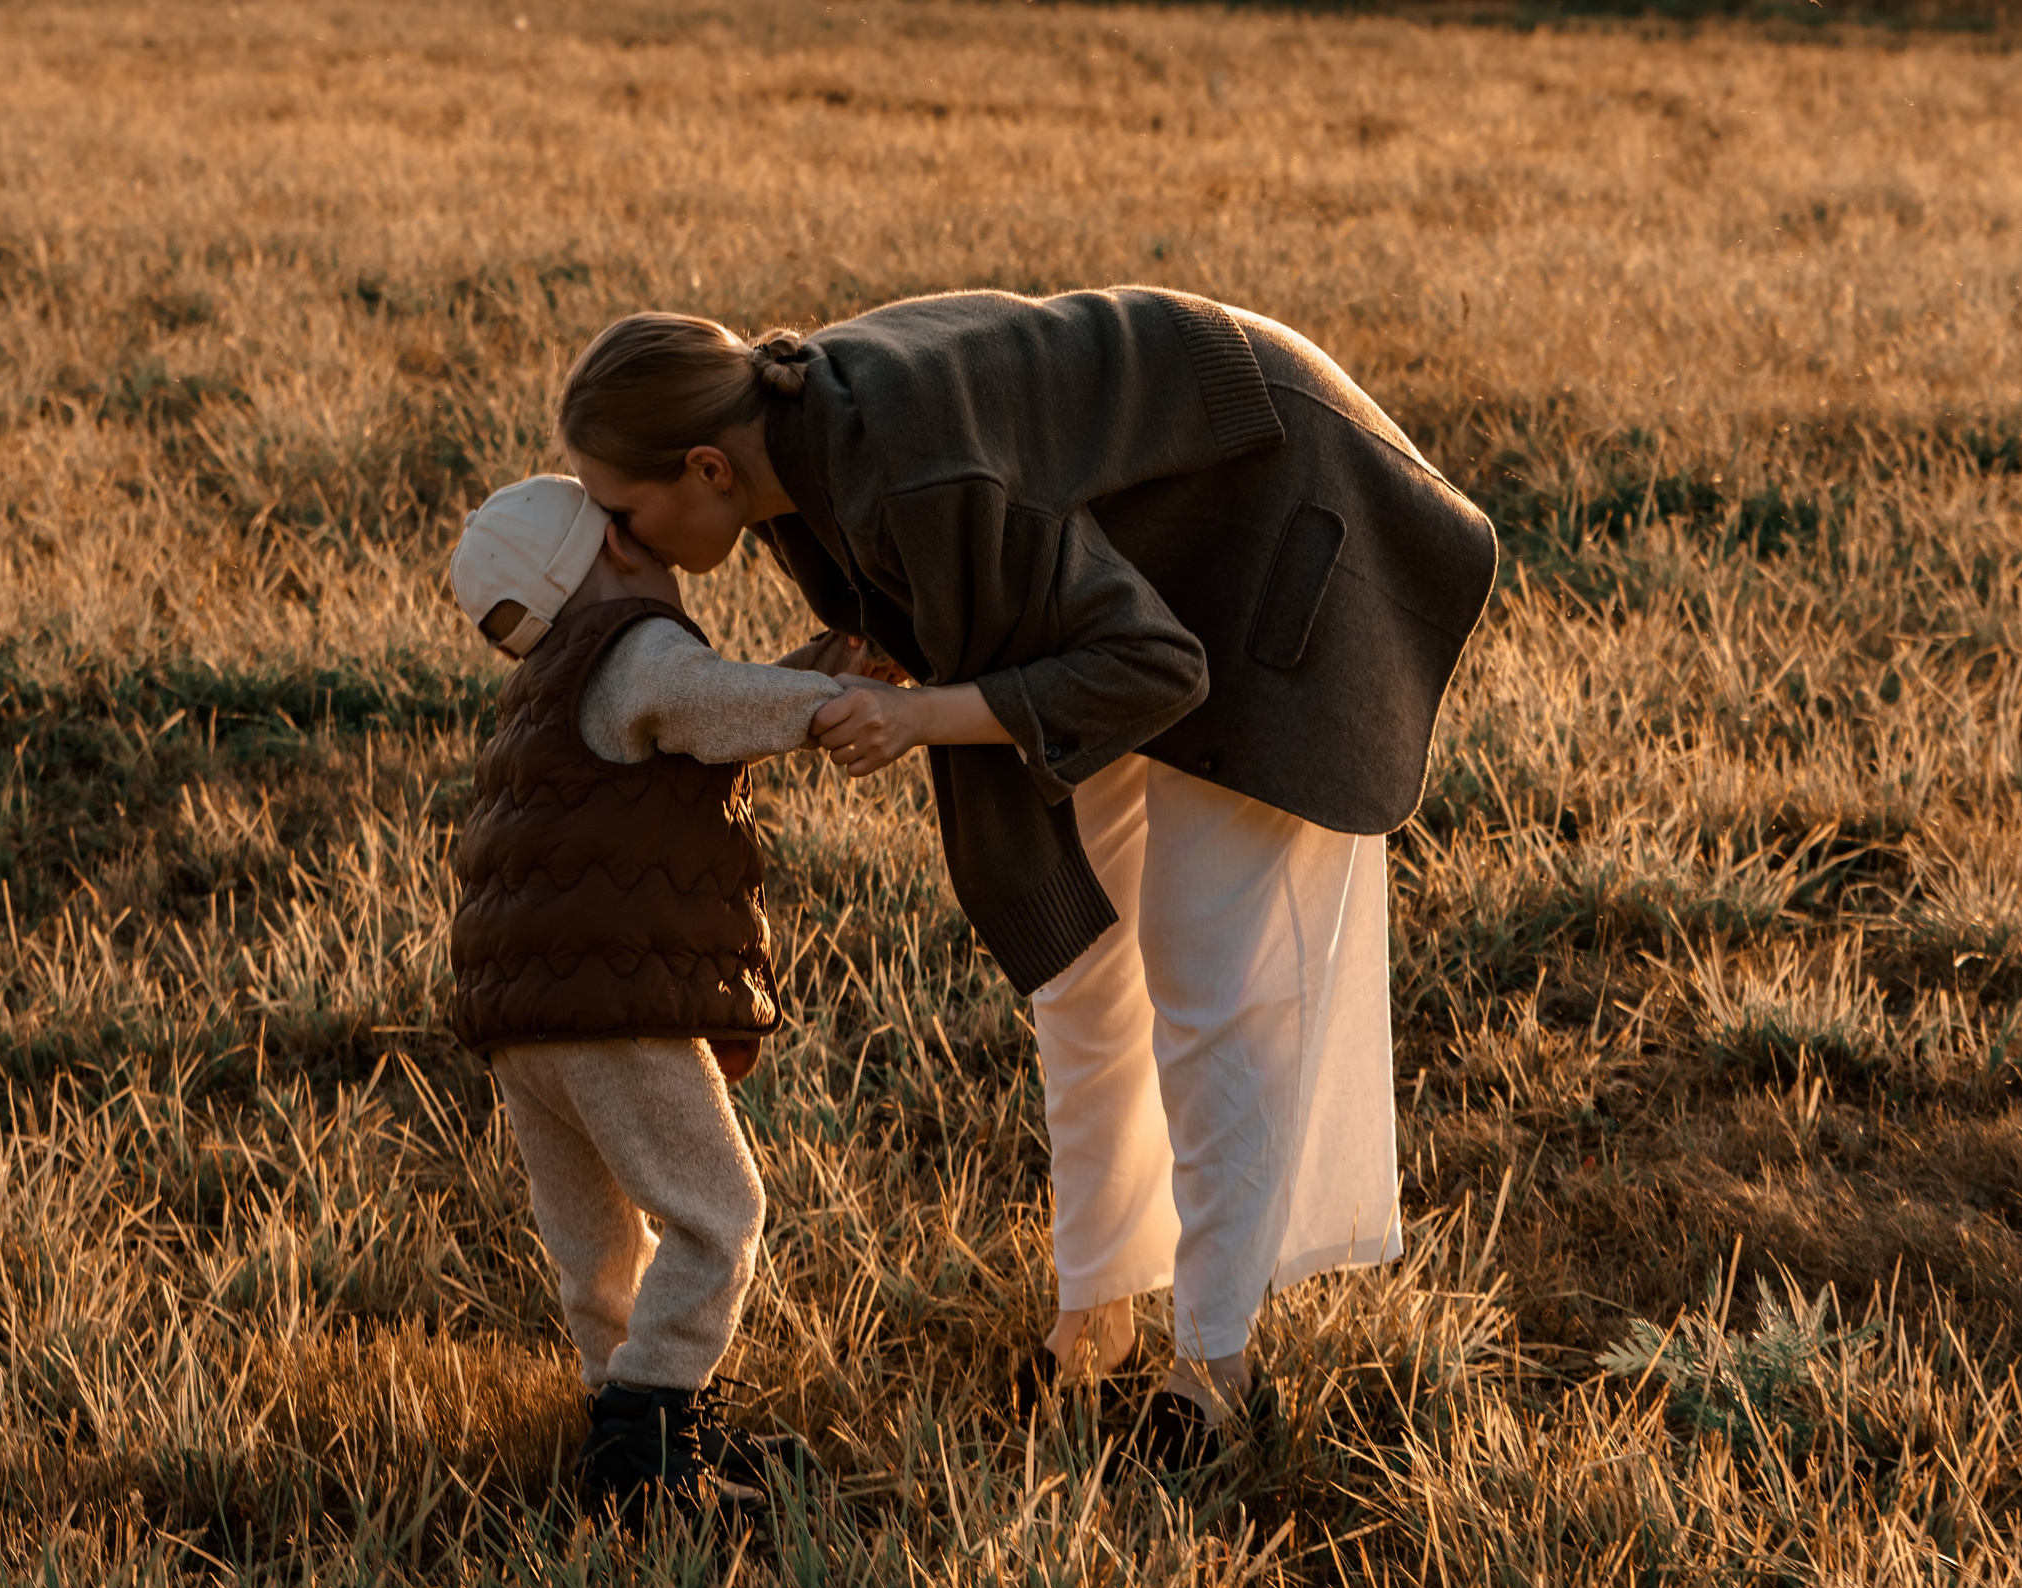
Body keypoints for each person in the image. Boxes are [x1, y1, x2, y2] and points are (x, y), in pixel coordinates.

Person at [554, 288, 1498, 1471]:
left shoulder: (904, 464)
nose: (619, 545)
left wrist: (922, 717)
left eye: (622, 513)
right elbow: (959, 598)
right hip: (1124, 588)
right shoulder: (793, 462)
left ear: (706, 465)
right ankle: (1094, 1318)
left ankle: (1217, 1372)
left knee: (1214, 982)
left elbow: (1153, 663)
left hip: (1273, 516)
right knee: (1084, 975)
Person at [444, 472, 862, 1525]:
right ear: (616, 554)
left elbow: (708, 705)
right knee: (720, 1213)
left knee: (595, 1236)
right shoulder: (634, 651)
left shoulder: (546, 682)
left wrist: (810, 671)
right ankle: (649, 1442)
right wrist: (845, 703)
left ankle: (621, 1408)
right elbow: (707, 699)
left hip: (521, 1022)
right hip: (614, 1007)